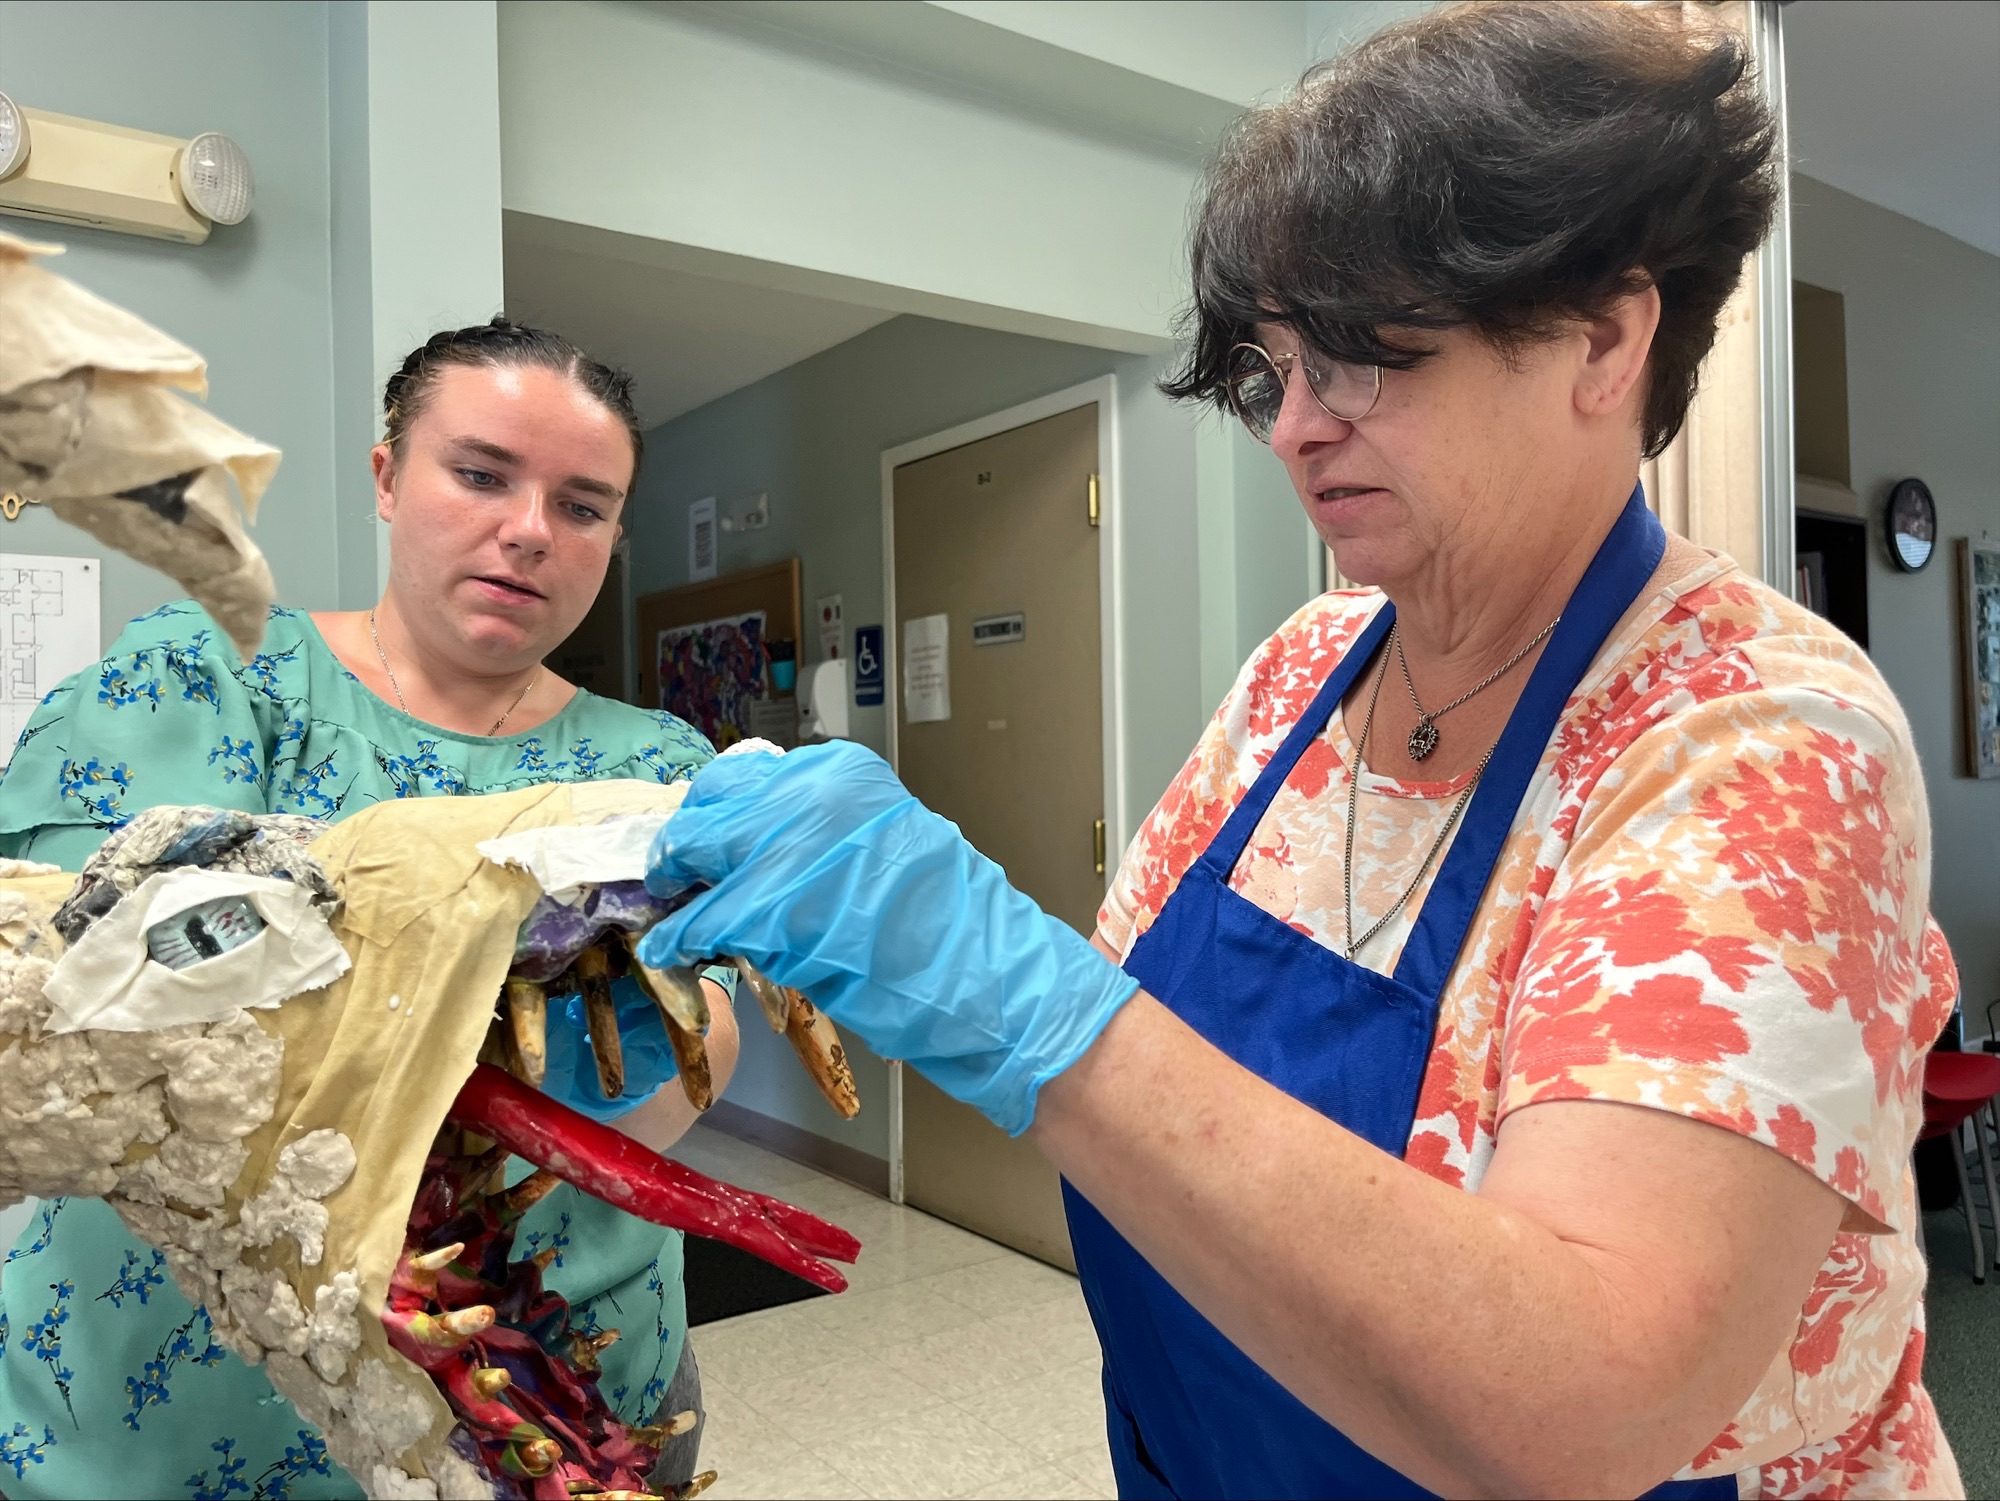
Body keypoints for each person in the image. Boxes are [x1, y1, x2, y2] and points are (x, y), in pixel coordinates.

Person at [635, 5, 1962, 1498]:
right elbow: (1163, 1095)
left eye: (1360, 355)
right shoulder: (1301, 671)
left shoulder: (1757, 732)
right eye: (1274, 369)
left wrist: (1007, 989)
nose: (1291, 429)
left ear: (1603, 335)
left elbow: (1585, 1401)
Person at [0, 320, 737, 1498]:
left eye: (584, 505)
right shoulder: (208, 679)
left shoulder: (658, 761)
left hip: (545, 1388)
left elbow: (690, 1053)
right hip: (178, 1404)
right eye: (482, 473)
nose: (531, 528)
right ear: (389, 476)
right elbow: (76, 1018)